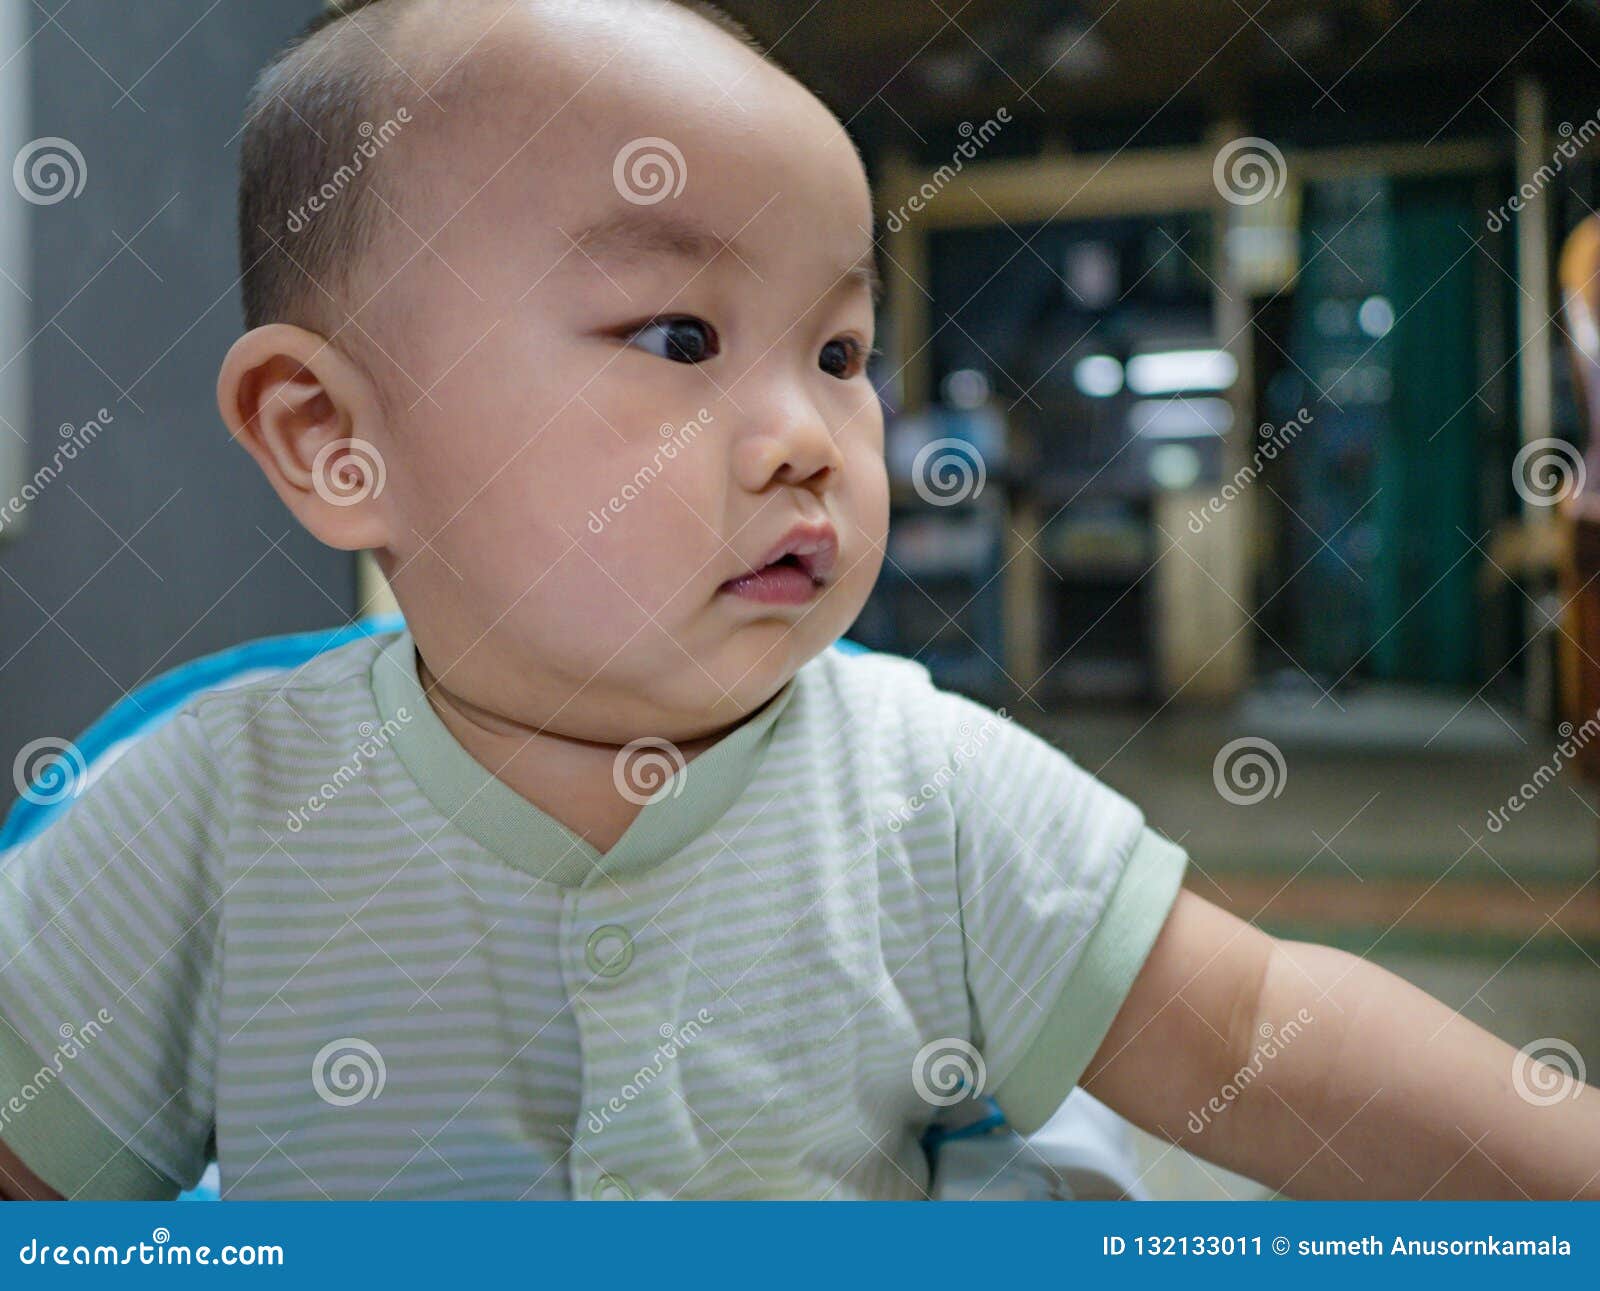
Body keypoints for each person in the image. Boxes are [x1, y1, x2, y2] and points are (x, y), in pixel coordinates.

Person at [1, 0, 1595, 1200]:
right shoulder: (204, 817)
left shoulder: (931, 792)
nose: (810, 440)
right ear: (334, 440)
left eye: (838, 354)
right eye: (682, 339)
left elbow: (1257, 1031)